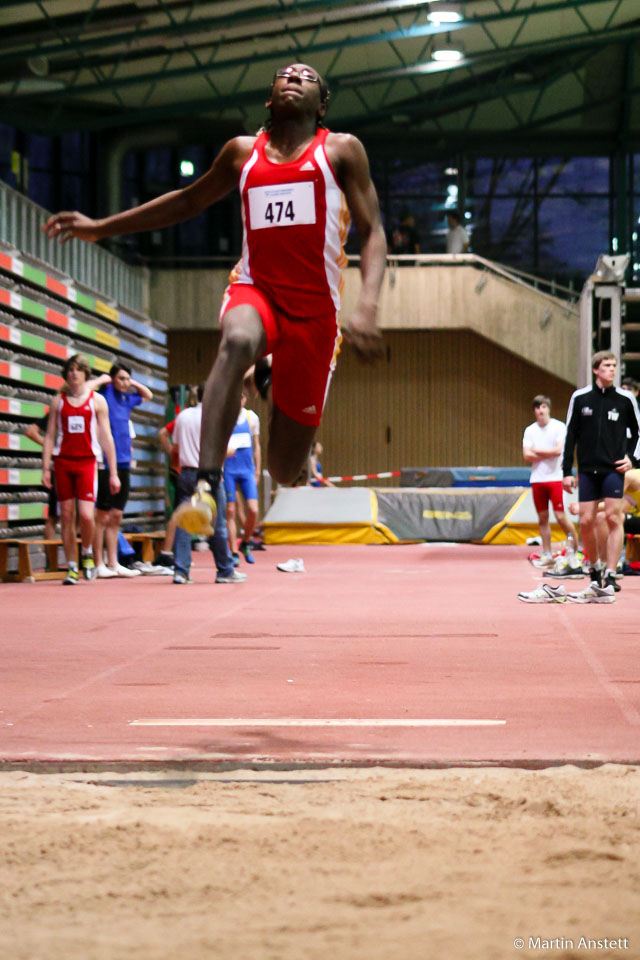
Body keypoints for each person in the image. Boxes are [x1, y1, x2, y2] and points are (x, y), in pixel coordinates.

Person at [42, 62, 387, 534]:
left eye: (305, 77)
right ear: (269, 99)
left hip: (315, 315)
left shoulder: (342, 151)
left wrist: (367, 306)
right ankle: (203, 486)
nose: (292, 78)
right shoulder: (242, 153)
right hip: (256, 289)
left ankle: (268, 378)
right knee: (237, 337)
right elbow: (187, 201)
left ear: (321, 104)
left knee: (286, 470)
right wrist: (102, 227)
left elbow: (373, 232)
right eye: (283, 75)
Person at [559, 350, 640, 602]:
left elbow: (638, 433)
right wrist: (566, 471)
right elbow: (570, 433)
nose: (612, 370)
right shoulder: (580, 398)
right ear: (596, 370)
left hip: (613, 470)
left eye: (614, 366)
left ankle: (612, 574)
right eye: (607, 365)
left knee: (615, 518)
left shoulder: (626, 399)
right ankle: (593, 569)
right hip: (586, 470)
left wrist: (632, 459)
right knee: (586, 521)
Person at [41, 354, 121, 585]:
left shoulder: (97, 401)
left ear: (86, 373)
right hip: (63, 462)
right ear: (66, 374)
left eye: (78, 369)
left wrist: (113, 472)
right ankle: (72, 567)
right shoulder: (59, 401)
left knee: (86, 516)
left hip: (87, 461)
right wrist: (46, 467)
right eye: (70, 370)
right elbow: (49, 436)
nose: (73, 373)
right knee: (66, 515)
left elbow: (106, 437)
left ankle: (86, 551)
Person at [171, 384, 246, 585]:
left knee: (185, 523)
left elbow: (176, 447)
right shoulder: (217, 417)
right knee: (218, 523)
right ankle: (225, 570)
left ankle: (180, 571)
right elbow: (226, 450)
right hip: (209, 475)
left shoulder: (183, 416)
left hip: (186, 473)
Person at [88, 363, 153, 578]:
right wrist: (102, 380)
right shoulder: (103, 395)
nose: (124, 383)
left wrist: (131, 381)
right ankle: (98, 563)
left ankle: (113, 562)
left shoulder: (127, 398)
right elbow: (84, 390)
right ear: (112, 379)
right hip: (107, 462)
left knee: (116, 515)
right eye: (121, 379)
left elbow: (148, 395)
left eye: (127, 379)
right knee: (102, 516)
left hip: (125, 462)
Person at [522, 395, 578, 568]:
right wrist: (547, 452)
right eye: (537, 408)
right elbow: (526, 456)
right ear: (534, 411)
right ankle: (547, 553)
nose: (541, 411)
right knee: (542, 518)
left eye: (544, 407)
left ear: (549, 409)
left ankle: (576, 549)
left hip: (555, 478)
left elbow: (558, 450)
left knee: (561, 516)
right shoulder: (530, 430)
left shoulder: (558, 427)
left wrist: (537, 451)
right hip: (538, 479)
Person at [224, 391, 261, 565]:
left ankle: (245, 542)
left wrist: (258, 471)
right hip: (229, 470)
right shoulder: (224, 417)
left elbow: (257, 446)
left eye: (241, 397)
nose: (238, 400)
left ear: (245, 399)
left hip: (247, 470)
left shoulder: (251, 417)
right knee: (230, 511)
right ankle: (233, 552)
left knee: (253, 510)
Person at [25, 411, 59, 541]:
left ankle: (80, 557)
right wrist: (52, 447)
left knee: (82, 516)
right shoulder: (58, 410)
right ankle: (51, 560)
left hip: (83, 467)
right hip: (60, 469)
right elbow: (31, 431)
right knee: (53, 517)